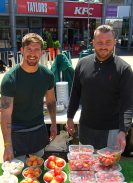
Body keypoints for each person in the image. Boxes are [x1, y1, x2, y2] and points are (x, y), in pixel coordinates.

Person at [66, 25, 133, 151]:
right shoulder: (82, 63)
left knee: (107, 169)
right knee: (85, 166)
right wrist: (70, 118)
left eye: (108, 42)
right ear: (93, 43)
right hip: (86, 126)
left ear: (115, 42)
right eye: (99, 42)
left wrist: (123, 131)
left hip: (112, 130)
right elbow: (75, 93)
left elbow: (127, 104)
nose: (103, 46)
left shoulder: (123, 69)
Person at [1, 33, 57, 162]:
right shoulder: (10, 79)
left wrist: (53, 124)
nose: (33, 53)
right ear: (22, 51)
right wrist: (7, 145)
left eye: (37, 49)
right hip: (17, 132)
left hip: (38, 128)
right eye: (29, 49)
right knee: (18, 169)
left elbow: (51, 101)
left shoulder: (47, 75)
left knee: (38, 166)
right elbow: (5, 114)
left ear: (42, 52)